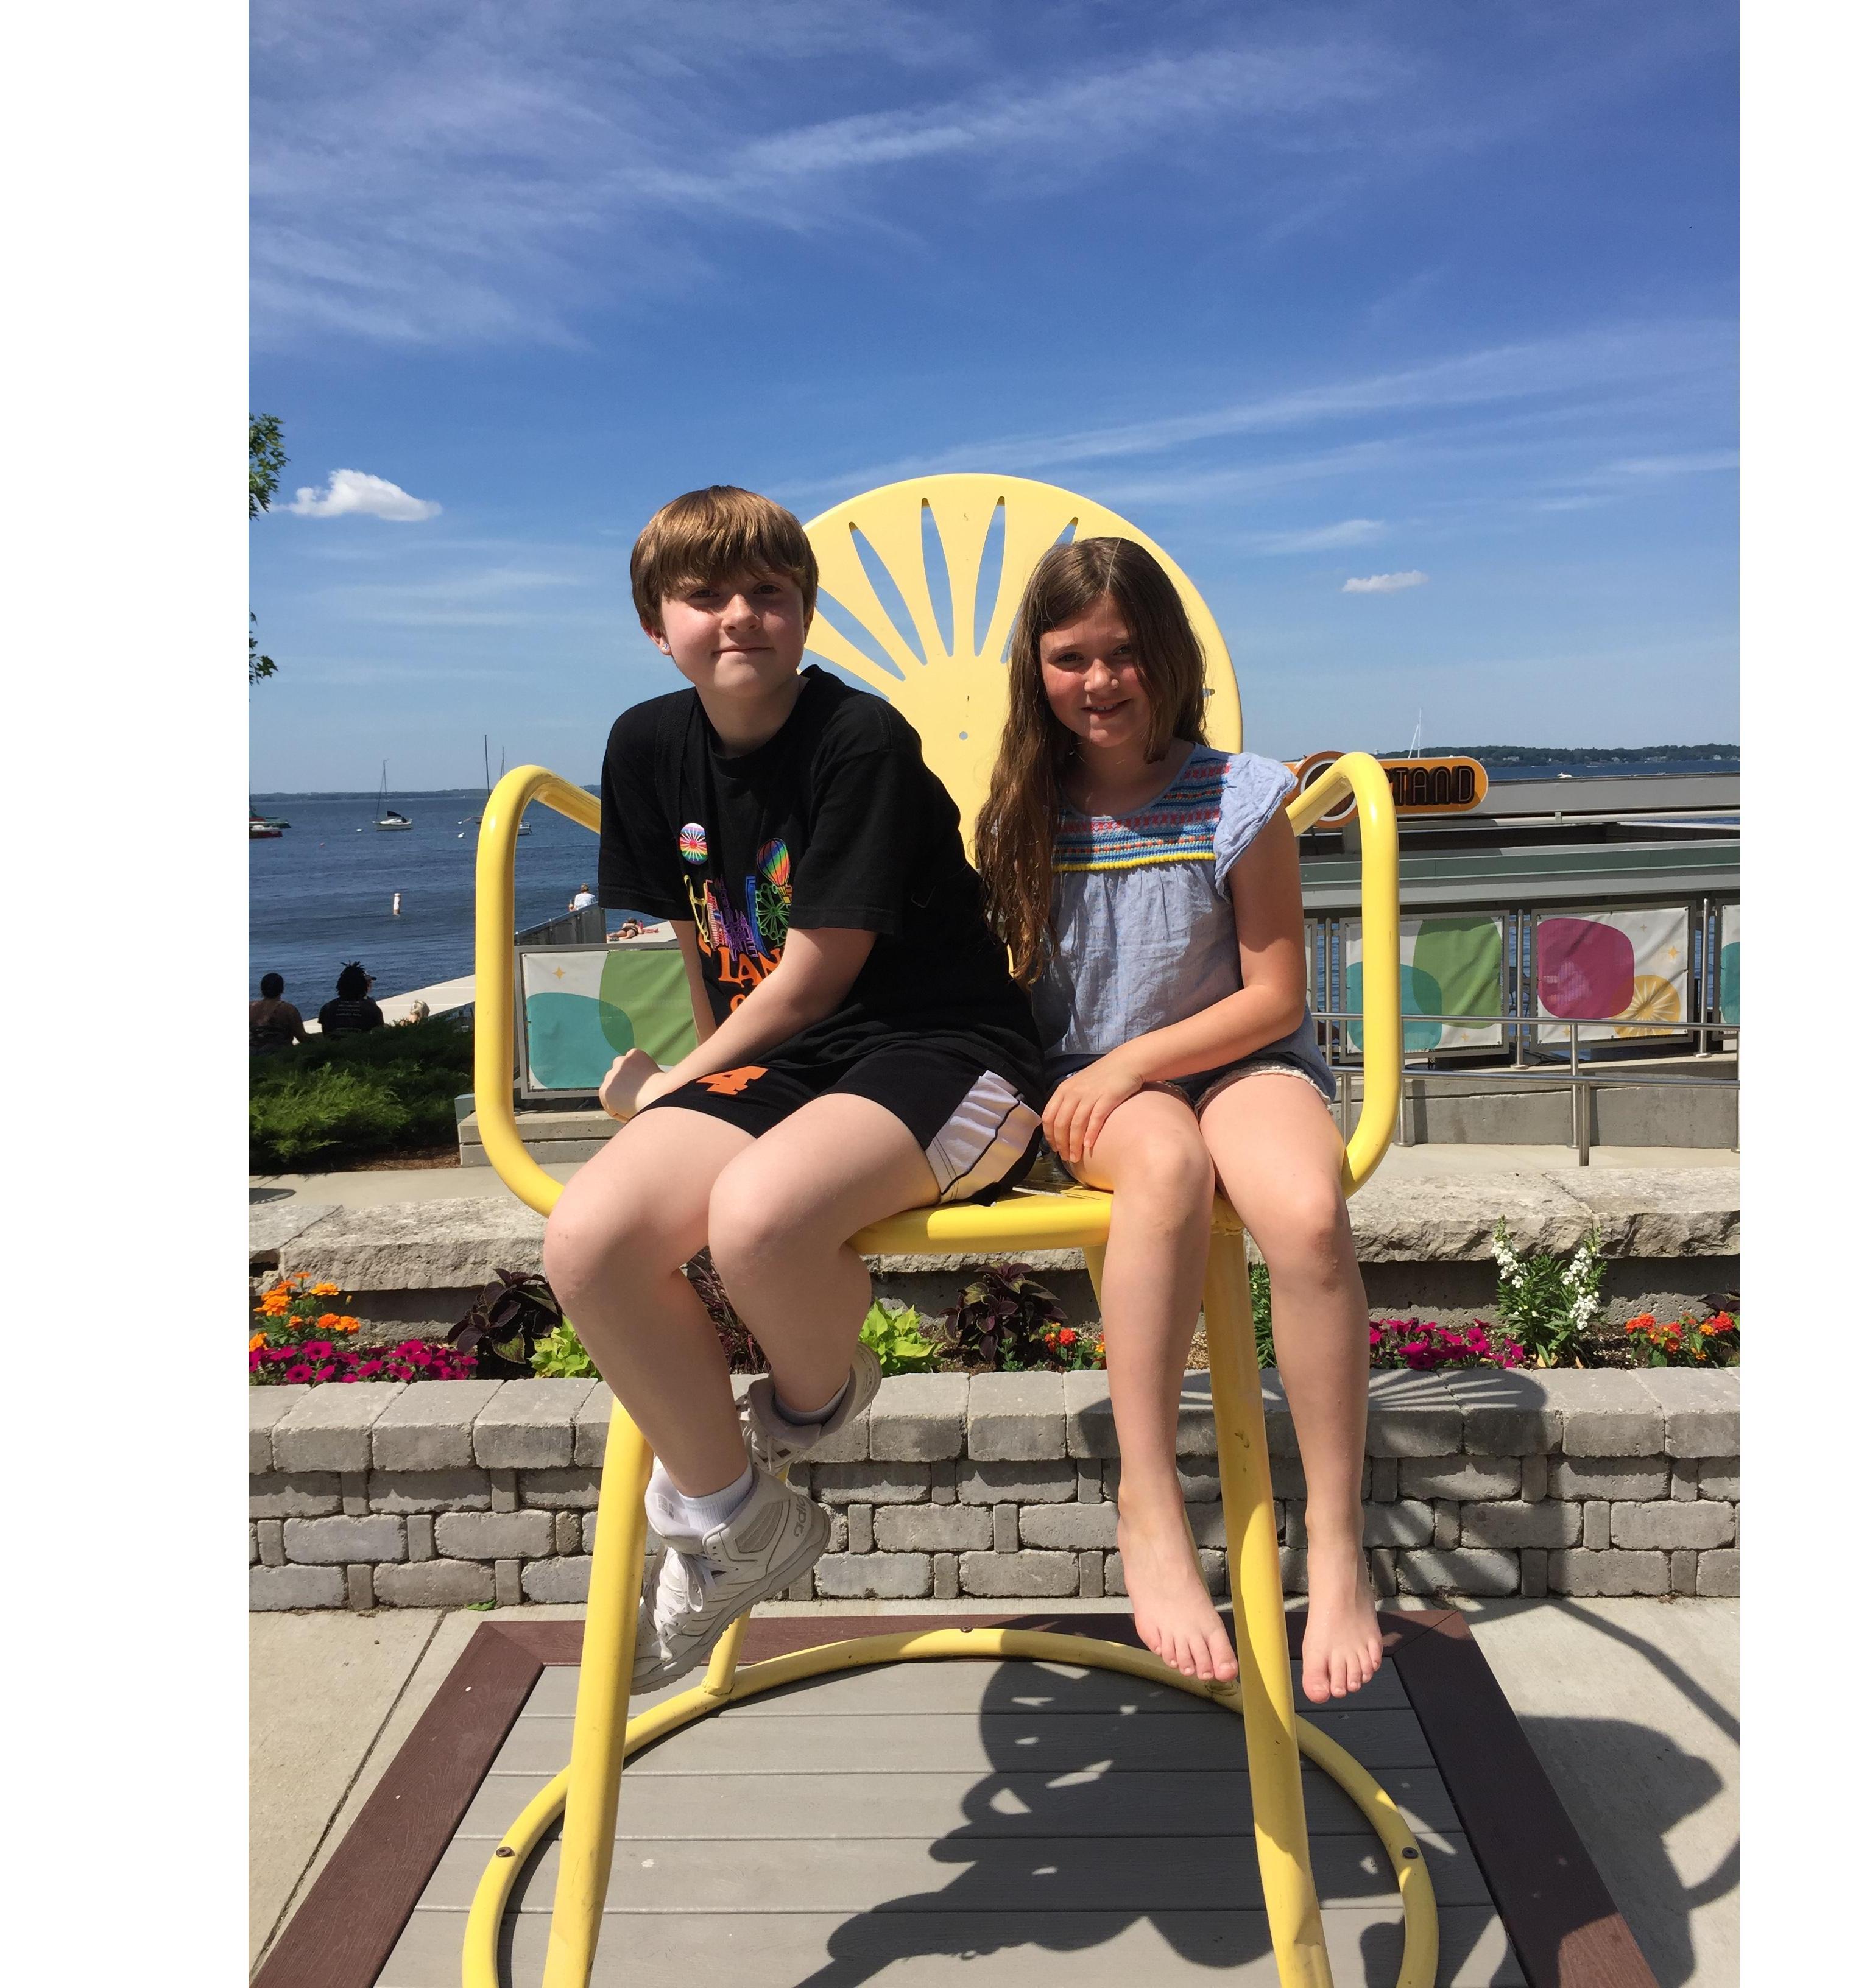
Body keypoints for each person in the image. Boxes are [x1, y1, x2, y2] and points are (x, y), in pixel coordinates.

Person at [542, 486, 1045, 1689]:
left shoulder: (856, 740)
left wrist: (680, 1095)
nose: (741, 617)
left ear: (805, 612)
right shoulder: (646, 747)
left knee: (758, 1218)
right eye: (705, 596)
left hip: (941, 1045)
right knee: (591, 1236)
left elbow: (816, 975)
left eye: (771, 593)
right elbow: (702, 945)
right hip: (790, 1059)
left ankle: (811, 1407)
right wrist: (700, 1096)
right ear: (655, 624)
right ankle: (739, 1524)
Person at [973, 537, 1380, 1704]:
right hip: (1098, 1092)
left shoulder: (1239, 795)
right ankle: (1147, 1502)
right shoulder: (1021, 811)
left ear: (1168, 659)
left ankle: (1339, 1539)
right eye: (1070, 658)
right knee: (1163, 1167)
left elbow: (1271, 995)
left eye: (1124, 654)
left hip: (1235, 1059)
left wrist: (1140, 1058)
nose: (1100, 681)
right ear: (1034, 669)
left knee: (1303, 1216)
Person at [317, 962, 386, 1035]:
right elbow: (379, 1034)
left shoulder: (327, 1008)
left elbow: (326, 1034)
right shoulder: (371, 1008)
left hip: (334, 1046)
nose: (370, 985)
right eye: (368, 982)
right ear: (363, 986)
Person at [249, 973, 307, 1054]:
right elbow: (302, 1037)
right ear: (282, 989)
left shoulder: (250, 1008)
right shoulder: (288, 1009)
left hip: (252, 1056)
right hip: (280, 1056)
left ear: (262, 989)